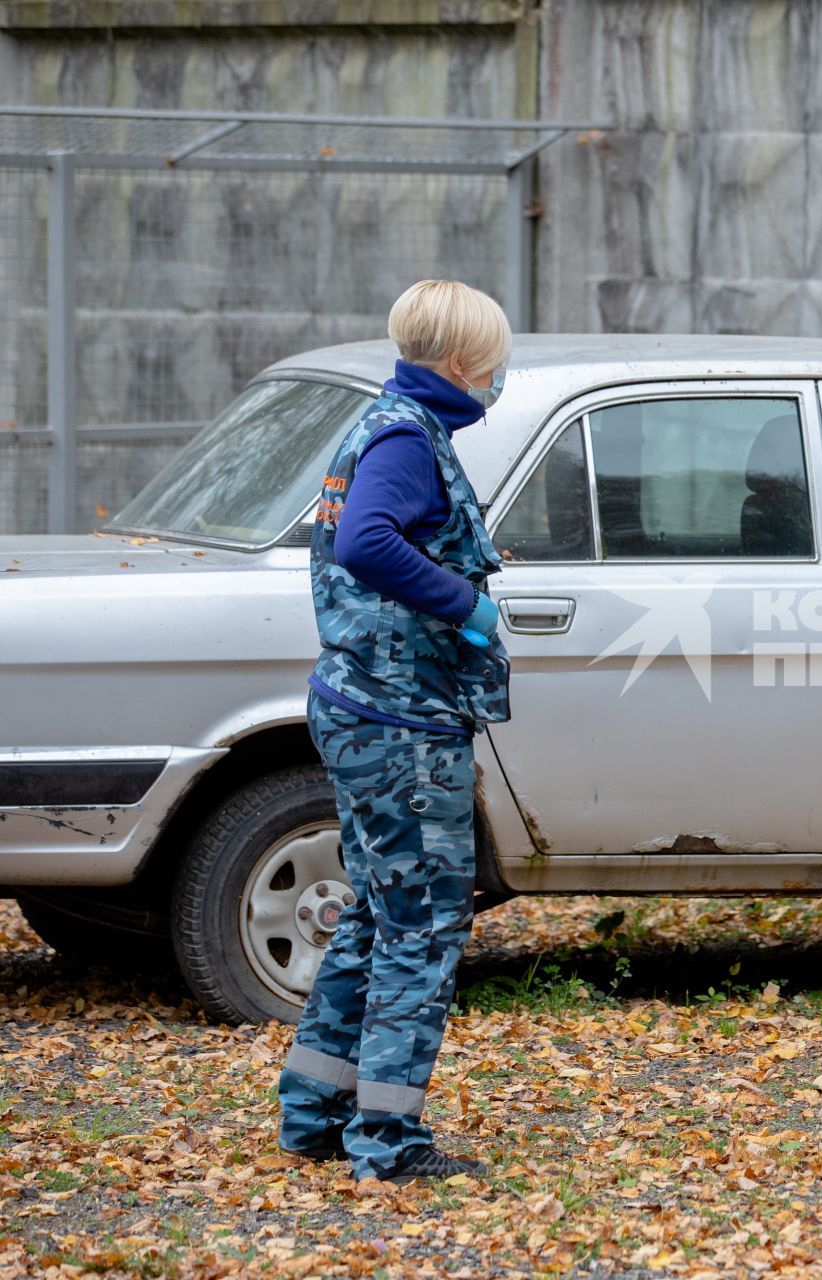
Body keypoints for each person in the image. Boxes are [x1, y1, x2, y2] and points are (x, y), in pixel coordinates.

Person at [276, 279, 513, 1184]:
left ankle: (315, 1111)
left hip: (366, 706)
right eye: (490, 360)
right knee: (422, 925)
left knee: (378, 912)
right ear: (457, 361)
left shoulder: (384, 423)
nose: (495, 376)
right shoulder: (409, 438)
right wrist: (468, 608)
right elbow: (365, 542)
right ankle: (388, 1141)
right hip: (400, 721)